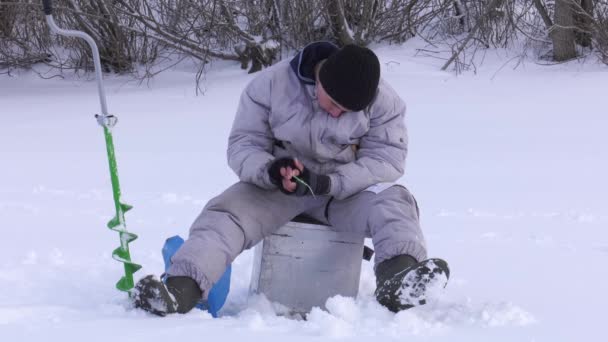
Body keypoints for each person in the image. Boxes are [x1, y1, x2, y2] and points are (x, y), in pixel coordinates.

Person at [133, 41, 449, 316]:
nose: (338, 114)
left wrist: (333, 182)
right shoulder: (270, 85)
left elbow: (388, 158)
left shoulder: (384, 101)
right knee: (225, 214)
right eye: (335, 104)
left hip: (343, 193)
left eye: (347, 110)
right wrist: (271, 170)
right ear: (320, 78)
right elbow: (243, 145)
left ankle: (399, 278)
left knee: (395, 201)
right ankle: (179, 290)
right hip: (276, 190)